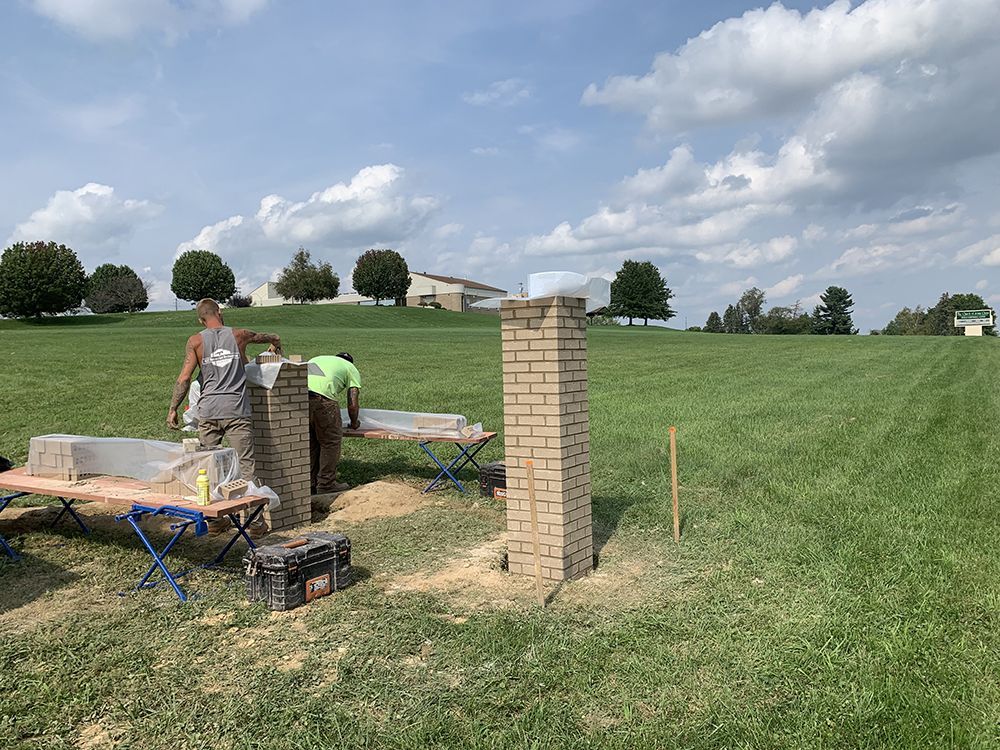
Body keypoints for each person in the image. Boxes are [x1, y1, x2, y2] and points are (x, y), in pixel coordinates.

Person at [167, 298, 282, 485]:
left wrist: (173, 409)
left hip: (208, 411)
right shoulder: (240, 335)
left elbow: (184, 379)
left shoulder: (195, 341)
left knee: (207, 464)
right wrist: (275, 341)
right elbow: (264, 337)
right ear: (219, 312)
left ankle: (211, 510)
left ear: (200, 320)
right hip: (236, 410)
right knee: (246, 466)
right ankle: (253, 513)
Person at [307, 352, 361, 494]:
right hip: (323, 402)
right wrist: (354, 422)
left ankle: (310, 483)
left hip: (299, 399)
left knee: (312, 441)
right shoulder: (350, 367)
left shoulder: (317, 358)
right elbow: (353, 403)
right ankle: (326, 484)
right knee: (330, 442)